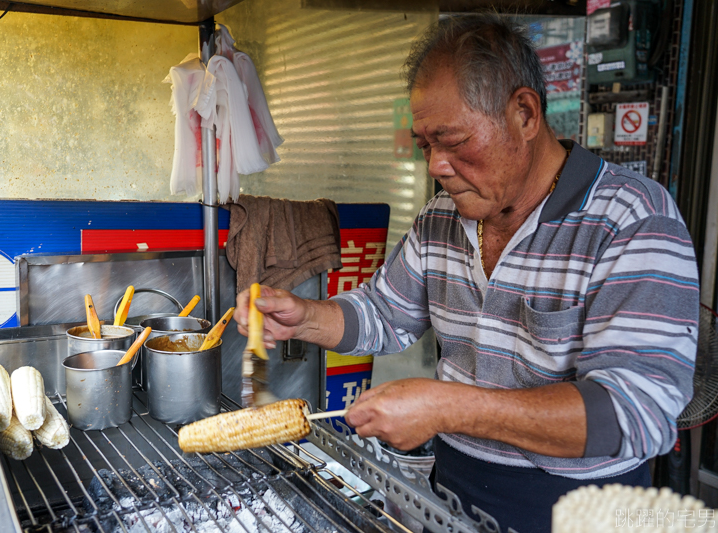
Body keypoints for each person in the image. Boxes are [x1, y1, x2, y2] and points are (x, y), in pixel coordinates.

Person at [235, 14, 699, 533]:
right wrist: (302, 316)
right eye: (424, 144)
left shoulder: (632, 219)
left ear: (524, 114)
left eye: (451, 140)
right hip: (453, 495)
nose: (434, 164)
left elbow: (634, 412)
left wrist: (447, 407)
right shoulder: (441, 220)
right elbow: (385, 314)